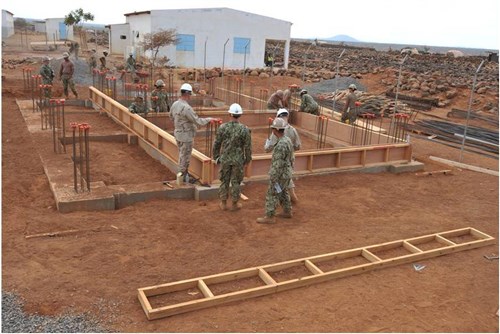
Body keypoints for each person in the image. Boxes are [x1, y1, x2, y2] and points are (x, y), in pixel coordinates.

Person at [169, 83, 214, 182]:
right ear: (187, 94)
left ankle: (184, 174)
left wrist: (179, 125)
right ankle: (182, 177)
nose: (190, 96)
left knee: (181, 154)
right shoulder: (186, 108)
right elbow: (197, 121)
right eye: (190, 94)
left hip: (178, 134)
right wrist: (209, 119)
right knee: (185, 156)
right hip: (186, 136)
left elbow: (171, 117)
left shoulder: (175, 104)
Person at [213, 103, 252, 212]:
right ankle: (235, 203)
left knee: (224, 180)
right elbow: (248, 147)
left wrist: (216, 157)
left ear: (230, 114)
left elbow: (216, 144)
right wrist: (247, 160)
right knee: (236, 181)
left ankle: (223, 203)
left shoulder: (223, 127)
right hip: (238, 160)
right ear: (240, 115)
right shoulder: (244, 129)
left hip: (225, 158)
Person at [257, 117, 294, 224]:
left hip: (280, 174)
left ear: (275, 130)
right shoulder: (287, 140)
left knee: (272, 193)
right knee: (282, 191)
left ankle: (269, 216)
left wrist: (273, 178)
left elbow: (277, 164)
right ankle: (287, 211)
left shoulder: (280, 145)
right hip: (287, 173)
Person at [264, 108, 301, 203]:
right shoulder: (293, 130)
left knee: (277, 183)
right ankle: (291, 198)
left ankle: (282, 200)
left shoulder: (276, 132)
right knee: (287, 177)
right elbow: (298, 146)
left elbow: (268, 149)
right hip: (290, 159)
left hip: (279, 162)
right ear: (287, 116)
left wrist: (267, 143)